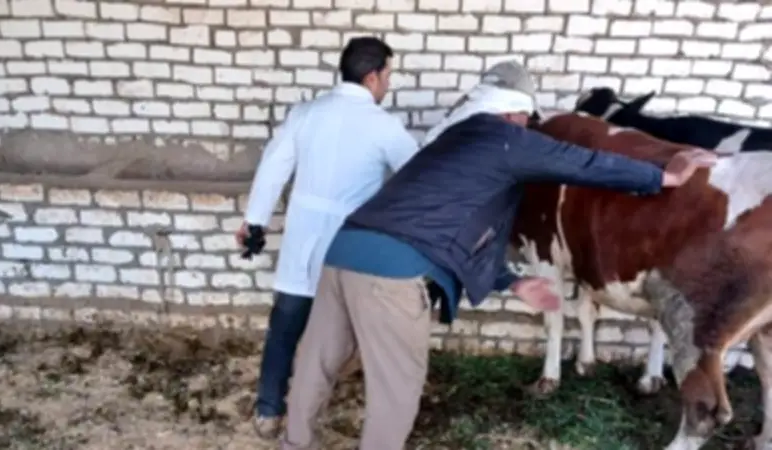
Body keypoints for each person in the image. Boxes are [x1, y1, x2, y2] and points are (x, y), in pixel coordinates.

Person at [279, 60, 718, 450]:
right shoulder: (506, 138)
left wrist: (511, 281)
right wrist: (662, 177)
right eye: (527, 116)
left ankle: (294, 443)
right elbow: (583, 163)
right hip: (392, 273)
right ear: (512, 111)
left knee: (317, 362)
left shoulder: (453, 139)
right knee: (397, 389)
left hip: (343, 250)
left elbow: (458, 226)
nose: (528, 124)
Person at [236, 36, 419, 439]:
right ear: (372, 77)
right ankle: (337, 408)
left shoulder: (306, 114)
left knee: (286, 326)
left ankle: (269, 411)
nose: (388, 84)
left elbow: (273, 167)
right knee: (345, 333)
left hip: (303, 241)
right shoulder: (384, 126)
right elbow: (417, 177)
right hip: (351, 250)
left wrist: (254, 222)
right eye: (388, 75)